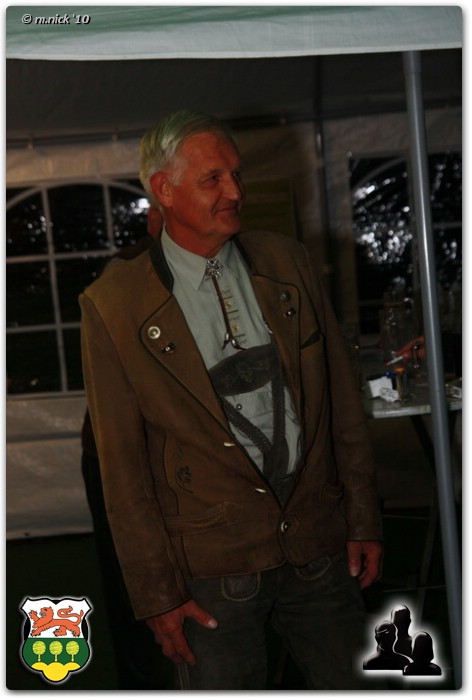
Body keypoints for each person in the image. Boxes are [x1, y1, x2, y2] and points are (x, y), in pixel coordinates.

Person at [80, 110, 383, 690]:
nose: (236, 192)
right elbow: (122, 470)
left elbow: (342, 405)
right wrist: (157, 593)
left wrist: (363, 516)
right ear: (164, 189)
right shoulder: (113, 304)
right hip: (211, 568)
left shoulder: (288, 261)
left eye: (236, 175)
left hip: (318, 543)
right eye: (213, 179)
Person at [80, 205, 173, 690]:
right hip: (118, 451)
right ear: (156, 214)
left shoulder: (225, 265)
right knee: (131, 576)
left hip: (174, 451)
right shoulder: (125, 271)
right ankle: (142, 684)